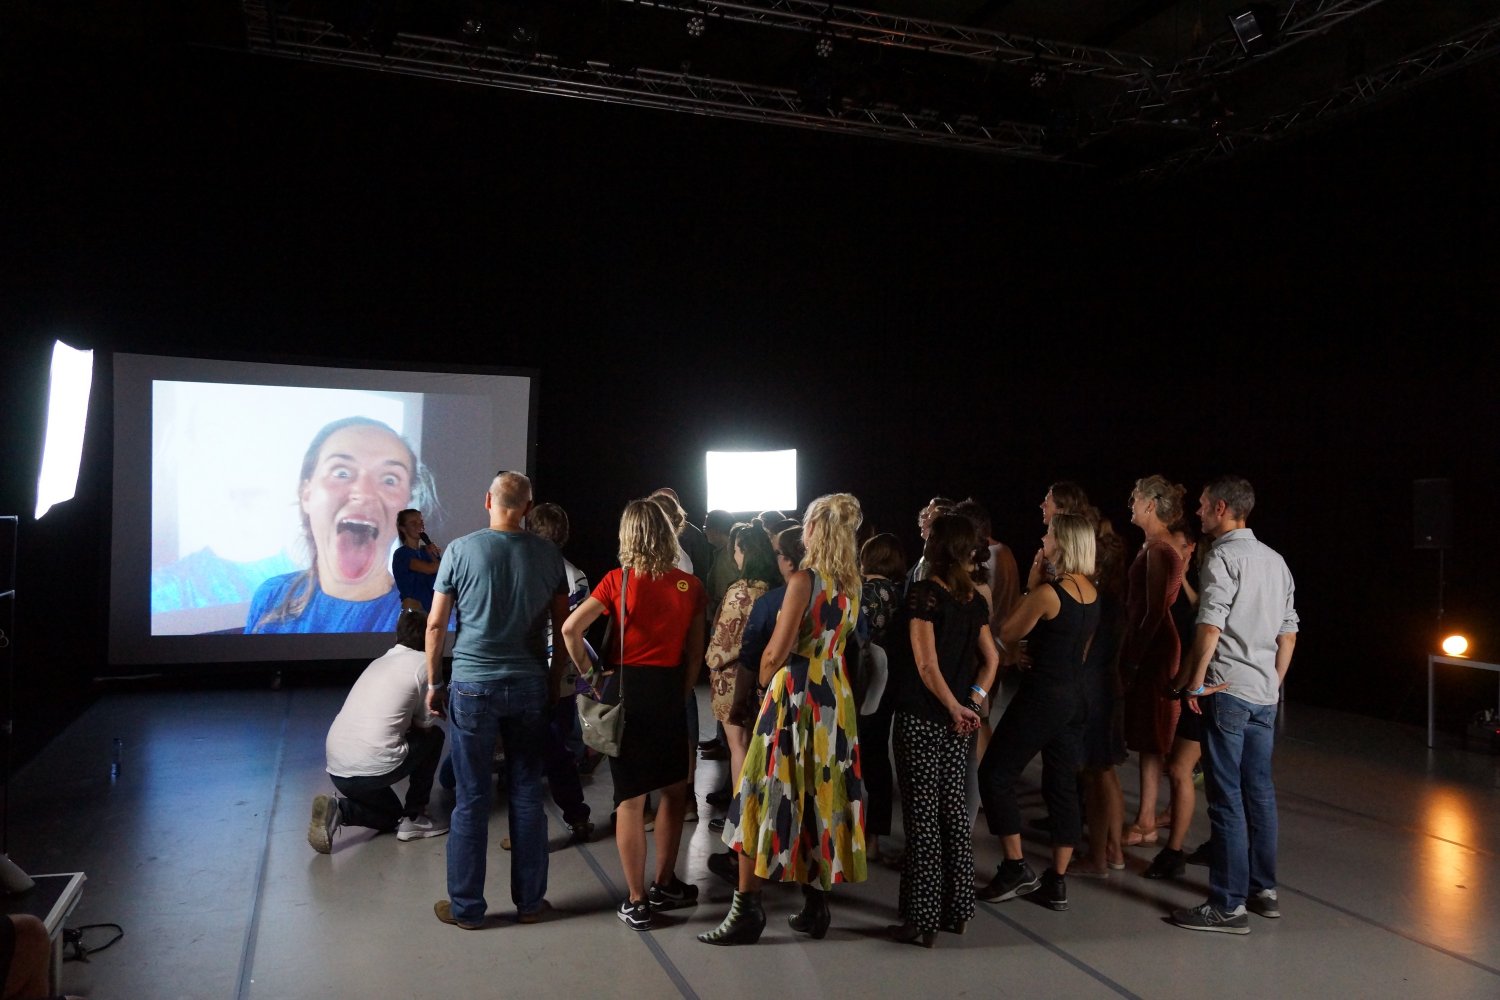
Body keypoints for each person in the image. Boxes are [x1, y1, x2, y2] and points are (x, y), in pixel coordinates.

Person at [699, 493, 867, 946]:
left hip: (796, 694)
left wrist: (762, 686)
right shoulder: (850, 583)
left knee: (757, 792)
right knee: (819, 794)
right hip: (834, 697)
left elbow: (776, 651)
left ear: (814, 530)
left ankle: (746, 911)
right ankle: (816, 906)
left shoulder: (804, 581)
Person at [426, 472, 570, 930]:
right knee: (526, 795)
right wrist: (554, 680)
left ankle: (467, 909)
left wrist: (434, 682)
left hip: (472, 685)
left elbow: (435, 626)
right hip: (529, 684)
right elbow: (563, 628)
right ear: (527, 507)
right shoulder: (549, 555)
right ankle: (530, 904)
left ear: (488, 500)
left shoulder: (459, 551)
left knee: (471, 798)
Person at [561, 499, 705, 930]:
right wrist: (680, 691)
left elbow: (571, 629)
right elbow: (695, 653)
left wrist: (591, 677)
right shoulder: (690, 586)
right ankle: (665, 883)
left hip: (626, 692)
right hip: (668, 692)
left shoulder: (617, 581)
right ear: (666, 534)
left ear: (628, 535)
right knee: (674, 791)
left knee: (630, 799)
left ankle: (637, 900)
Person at [1170, 476, 1298, 935]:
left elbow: (1210, 626)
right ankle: (1263, 891)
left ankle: (1227, 905)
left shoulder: (1223, 557)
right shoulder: (1276, 561)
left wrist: (1195, 684)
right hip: (1262, 694)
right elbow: (1289, 633)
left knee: (1226, 798)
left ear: (1221, 508)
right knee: (1259, 793)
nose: (1198, 512)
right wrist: (1271, 684)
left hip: (1226, 691)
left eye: (1203, 505)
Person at [976, 512, 1099, 912]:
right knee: (1061, 786)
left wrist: (1031, 584)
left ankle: (1015, 867)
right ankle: (1056, 881)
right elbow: (1076, 649)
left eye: (1048, 535)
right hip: (1075, 697)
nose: (1043, 540)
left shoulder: (1049, 593)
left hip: (1043, 697)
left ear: (1062, 543)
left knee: (995, 773)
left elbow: (1007, 631)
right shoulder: (1092, 593)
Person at [888, 515, 999, 947]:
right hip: (959, 723)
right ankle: (958, 910)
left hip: (922, 716)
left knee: (922, 818)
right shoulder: (973, 599)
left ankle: (922, 918)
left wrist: (954, 706)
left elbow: (926, 665)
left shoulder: (925, 595)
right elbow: (991, 660)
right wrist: (972, 702)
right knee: (953, 812)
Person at [247, 416, 435, 634]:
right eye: (341, 473)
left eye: (390, 480)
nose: (364, 493)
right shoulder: (271, 596)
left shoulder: (431, 622)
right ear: (306, 494)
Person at [308, 608, 447, 853]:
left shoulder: (378, 662)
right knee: (435, 737)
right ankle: (415, 816)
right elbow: (424, 729)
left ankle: (339, 809)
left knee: (390, 817)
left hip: (338, 769)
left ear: (398, 636)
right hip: (371, 769)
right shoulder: (425, 666)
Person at [1120, 475, 1187, 848]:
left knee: (1153, 734)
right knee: (1148, 736)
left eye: (1134, 498)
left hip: (1155, 650)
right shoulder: (1154, 547)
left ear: (1150, 504)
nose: (1130, 504)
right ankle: (1145, 818)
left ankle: (1147, 820)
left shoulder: (1159, 550)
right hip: (1152, 647)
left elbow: (1155, 612)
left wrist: (1133, 659)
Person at [526, 502, 594, 843]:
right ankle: (577, 817)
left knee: (525, 754)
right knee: (559, 751)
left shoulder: (521, 569)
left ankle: (526, 832)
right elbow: (578, 629)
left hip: (527, 671)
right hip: (563, 674)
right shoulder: (576, 575)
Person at [705, 525, 780, 814]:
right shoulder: (776, 588)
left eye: (736, 550)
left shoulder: (740, 590)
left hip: (734, 679)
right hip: (766, 677)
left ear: (746, 552)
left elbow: (724, 642)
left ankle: (741, 816)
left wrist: (711, 659)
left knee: (739, 746)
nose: (733, 556)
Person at [855, 532, 907, 865]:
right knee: (877, 756)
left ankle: (851, 832)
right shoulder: (901, 593)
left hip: (861, 682)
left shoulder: (863, 593)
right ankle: (874, 835)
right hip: (890, 682)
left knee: (855, 754)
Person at [392, 508, 442, 612]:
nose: (420, 526)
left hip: (432, 611)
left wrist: (433, 555)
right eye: (413, 523)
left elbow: (442, 574)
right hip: (414, 614)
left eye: (421, 522)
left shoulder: (427, 551)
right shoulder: (401, 554)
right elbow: (429, 569)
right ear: (403, 528)